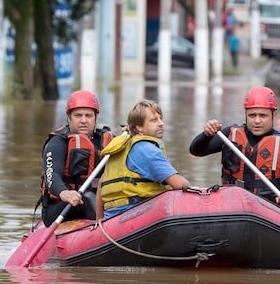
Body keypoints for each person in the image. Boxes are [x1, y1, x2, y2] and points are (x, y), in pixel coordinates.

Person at [188, 86, 280, 209]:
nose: (257, 121)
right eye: (252, 115)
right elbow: (196, 150)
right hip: (231, 203)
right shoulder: (229, 135)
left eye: (263, 116)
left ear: (274, 114)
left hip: (269, 206)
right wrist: (206, 135)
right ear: (245, 114)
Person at [97, 99, 193, 220]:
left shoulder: (123, 146)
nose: (161, 123)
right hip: (134, 215)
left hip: (111, 217)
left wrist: (99, 221)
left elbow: (101, 184)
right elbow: (180, 185)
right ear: (139, 128)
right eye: (154, 120)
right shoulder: (147, 150)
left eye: (160, 118)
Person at [38, 90, 112, 226]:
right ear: (69, 117)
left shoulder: (106, 140)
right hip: (62, 206)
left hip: (98, 201)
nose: (83, 120)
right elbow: (52, 176)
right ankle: (104, 232)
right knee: (88, 198)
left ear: (96, 118)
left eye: (88, 115)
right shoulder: (57, 143)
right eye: (78, 115)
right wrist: (64, 193)